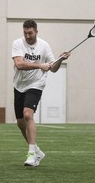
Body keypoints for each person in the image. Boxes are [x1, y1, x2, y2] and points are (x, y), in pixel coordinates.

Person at [12, 19, 70, 167]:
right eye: (25, 33)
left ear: (36, 32)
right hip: (19, 85)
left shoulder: (44, 46)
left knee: (27, 115)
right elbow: (19, 64)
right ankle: (37, 150)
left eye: (30, 33)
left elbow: (54, 68)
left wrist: (60, 59)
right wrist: (40, 65)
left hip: (36, 84)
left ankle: (31, 154)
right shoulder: (18, 43)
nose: (27, 36)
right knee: (20, 123)